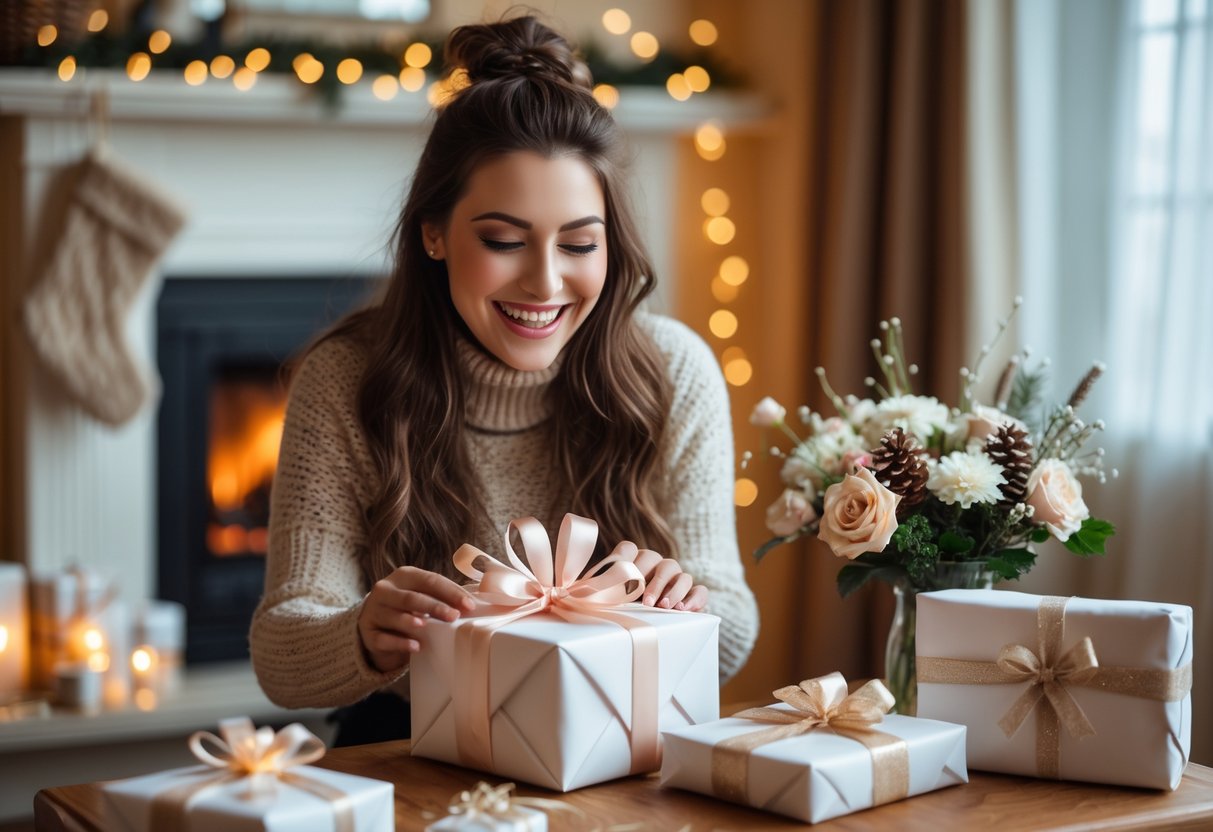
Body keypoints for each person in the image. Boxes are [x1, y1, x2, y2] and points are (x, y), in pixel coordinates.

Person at [249, 14, 759, 747]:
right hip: (412, 743)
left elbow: (734, 630)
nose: (545, 283)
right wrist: (361, 633)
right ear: (433, 232)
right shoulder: (346, 381)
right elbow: (281, 653)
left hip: (619, 742)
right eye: (502, 240)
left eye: (579, 243)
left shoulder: (672, 372)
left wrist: (688, 604)